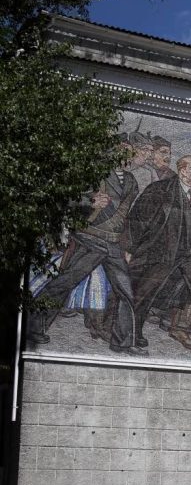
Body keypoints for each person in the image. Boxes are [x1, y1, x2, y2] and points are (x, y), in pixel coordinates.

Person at [28, 141, 140, 355]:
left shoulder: (132, 181)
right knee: (65, 282)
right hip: (90, 237)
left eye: (130, 155)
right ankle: (33, 326)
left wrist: (128, 247)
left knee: (126, 291)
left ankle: (123, 341)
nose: (127, 159)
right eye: (123, 153)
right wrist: (91, 201)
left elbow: (128, 216)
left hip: (113, 242)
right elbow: (68, 198)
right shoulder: (95, 173)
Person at [124, 155, 191, 362]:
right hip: (163, 254)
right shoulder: (159, 190)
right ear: (182, 171)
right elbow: (137, 220)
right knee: (144, 295)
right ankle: (131, 336)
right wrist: (129, 248)